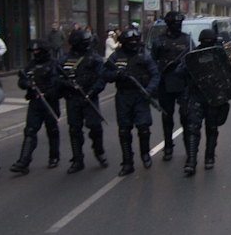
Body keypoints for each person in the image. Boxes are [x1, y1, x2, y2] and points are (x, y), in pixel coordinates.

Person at [103, 27, 159, 177]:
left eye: (135, 41)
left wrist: (149, 90)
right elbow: (105, 74)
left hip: (140, 96)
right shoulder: (116, 56)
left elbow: (154, 74)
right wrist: (117, 74)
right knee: (124, 130)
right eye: (130, 41)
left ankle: (145, 154)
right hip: (123, 97)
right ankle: (127, 162)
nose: (133, 43)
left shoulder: (144, 55)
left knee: (143, 128)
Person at [177, 29, 231, 175]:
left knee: (212, 128)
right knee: (192, 127)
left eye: (210, 41)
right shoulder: (192, 55)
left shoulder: (218, 54)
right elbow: (179, 71)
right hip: (196, 95)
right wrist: (190, 67)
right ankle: (191, 161)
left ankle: (209, 157)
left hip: (213, 96)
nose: (208, 43)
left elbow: (228, 75)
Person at [59, 29, 108, 173]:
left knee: (95, 127)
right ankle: (77, 159)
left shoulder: (94, 58)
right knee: (74, 129)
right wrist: (67, 84)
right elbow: (56, 78)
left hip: (89, 97)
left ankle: (99, 153)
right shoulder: (64, 59)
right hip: (73, 98)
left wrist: (93, 91)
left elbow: (102, 77)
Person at [10, 39, 61, 174]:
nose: (35, 53)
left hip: (49, 102)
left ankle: (54, 157)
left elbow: (58, 84)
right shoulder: (31, 65)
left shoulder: (53, 64)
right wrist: (26, 84)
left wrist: (47, 93)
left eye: (37, 51)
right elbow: (21, 81)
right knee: (30, 131)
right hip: (35, 102)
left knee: (52, 130)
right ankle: (24, 161)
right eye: (33, 51)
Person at [151, 11, 195, 161]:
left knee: (186, 117)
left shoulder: (187, 39)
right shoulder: (159, 41)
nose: (178, 26)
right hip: (165, 83)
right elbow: (152, 62)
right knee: (167, 117)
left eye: (179, 23)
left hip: (183, 83)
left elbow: (194, 58)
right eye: (175, 24)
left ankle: (189, 149)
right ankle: (168, 147)